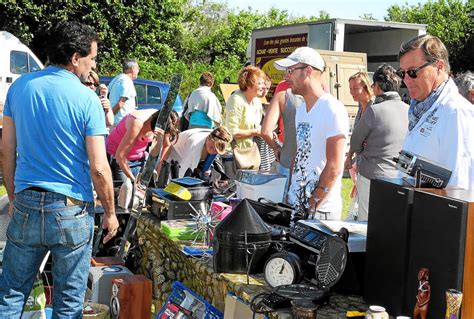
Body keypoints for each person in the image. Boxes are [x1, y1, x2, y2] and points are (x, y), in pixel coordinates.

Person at [0, 21, 118, 317]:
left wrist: (14, 198)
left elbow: (6, 150)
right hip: (71, 209)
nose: (93, 64)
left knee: (11, 294)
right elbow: (100, 168)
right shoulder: (86, 98)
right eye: (92, 57)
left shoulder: (21, 87)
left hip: (27, 199)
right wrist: (111, 213)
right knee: (68, 301)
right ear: (75, 57)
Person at [274, 47, 349, 220]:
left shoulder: (332, 108)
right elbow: (298, 154)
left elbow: (335, 165)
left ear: (308, 71)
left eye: (290, 71)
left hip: (321, 210)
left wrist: (314, 202)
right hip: (297, 205)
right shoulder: (301, 110)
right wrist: (290, 193)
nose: (286, 77)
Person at [398, 34, 474, 190]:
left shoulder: (456, 112)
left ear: (439, 67)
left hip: (436, 212)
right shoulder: (419, 109)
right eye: (402, 73)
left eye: (412, 72)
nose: (406, 80)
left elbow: (460, 184)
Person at [349, 64, 409, 221]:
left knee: (366, 222)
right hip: (399, 177)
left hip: (372, 176)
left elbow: (355, 142)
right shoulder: (409, 110)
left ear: (376, 86)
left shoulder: (374, 110)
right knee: (389, 222)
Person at [106, 109, 179, 183]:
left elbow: (166, 145)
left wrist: (159, 166)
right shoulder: (136, 122)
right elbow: (120, 156)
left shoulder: (164, 120)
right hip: (117, 159)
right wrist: (134, 181)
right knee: (126, 189)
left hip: (139, 159)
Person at [222, 65, 266, 177]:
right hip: (232, 156)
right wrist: (255, 132)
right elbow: (231, 132)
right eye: (260, 83)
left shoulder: (257, 102)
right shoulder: (236, 100)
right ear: (249, 84)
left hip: (250, 153)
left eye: (264, 83)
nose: (264, 86)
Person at [261, 80, 303, 178]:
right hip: (313, 164)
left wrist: (276, 147)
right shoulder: (322, 93)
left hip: (287, 157)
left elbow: (266, 131)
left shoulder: (282, 94)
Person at [164, 126, 232, 178]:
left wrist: (209, 170)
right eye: (211, 147)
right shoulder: (195, 145)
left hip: (191, 156)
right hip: (175, 156)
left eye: (217, 150)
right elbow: (182, 172)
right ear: (208, 138)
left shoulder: (216, 135)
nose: (213, 151)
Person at [344, 71, 374, 172]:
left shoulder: (375, 107)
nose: (352, 92)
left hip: (372, 163)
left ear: (367, 87)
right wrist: (349, 156)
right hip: (361, 161)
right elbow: (356, 136)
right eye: (350, 89)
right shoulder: (361, 106)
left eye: (356, 89)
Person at [109, 59, 139, 125]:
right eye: (138, 68)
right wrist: (109, 116)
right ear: (133, 68)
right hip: (121, 122)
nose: (138, 71)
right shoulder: (127, 81)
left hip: (115, 121)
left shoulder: (117, 78)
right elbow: (120, 103)